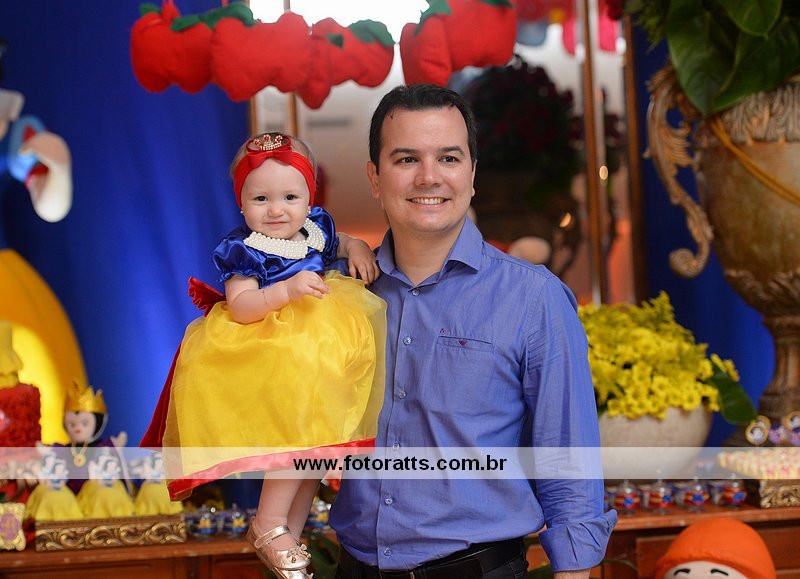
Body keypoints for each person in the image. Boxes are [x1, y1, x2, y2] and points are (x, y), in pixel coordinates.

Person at [329, 84, 617, 578]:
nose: (429, 176)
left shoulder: (534, 298)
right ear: (374, 178)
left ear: (472, 174)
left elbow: (568, 465)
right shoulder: (341, 294)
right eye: (406, 159)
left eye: (448, 157)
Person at [143, 132, 386, 579]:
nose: (276, 210)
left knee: (318, 451)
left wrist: (356, 248)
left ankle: (288, 528)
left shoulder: (317, 228)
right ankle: (269, 520)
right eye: (260, 199)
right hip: (272, 353)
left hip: (319, 356)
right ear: (241, 203)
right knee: (294, 441)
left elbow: (343, 240)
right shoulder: (245, 249)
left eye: (290, 197)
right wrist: (287, 291)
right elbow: (241, 305)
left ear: (309, 199)